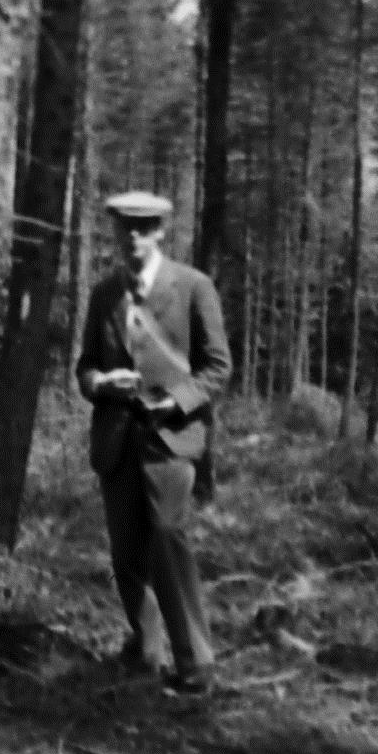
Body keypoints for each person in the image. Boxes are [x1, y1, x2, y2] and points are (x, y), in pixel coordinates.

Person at [75, 190, 232, 695]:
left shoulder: (193, 287)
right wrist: (101, 384)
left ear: (162, 230)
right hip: (117, 438)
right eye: (125, 227)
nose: (134, 237)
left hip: (170, 440)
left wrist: (176, 401)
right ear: (115, 232)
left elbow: (218, 368)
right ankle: (144, 652)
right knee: (125, 551)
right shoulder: (104, 294)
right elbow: (84, 367)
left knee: (167, 538)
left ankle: (195, 664)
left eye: (145, 227)